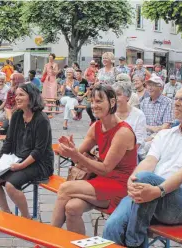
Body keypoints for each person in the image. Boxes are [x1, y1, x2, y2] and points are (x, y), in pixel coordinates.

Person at [103, 85, 182, 247]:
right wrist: (132, 180)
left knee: (145, 179)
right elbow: (149, 161)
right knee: (112, 226)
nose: (176, 103)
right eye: (176, 98)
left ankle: (134, 242)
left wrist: (158, 191)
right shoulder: (165, 134)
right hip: (149, 194)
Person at [51, 84, 137, 235]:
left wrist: (76, 155)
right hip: (101, 180)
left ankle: (49, 239)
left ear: (111, 102)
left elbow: (105, 168)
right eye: (92, 101)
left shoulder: (123, 132)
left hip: (120, 186)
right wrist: (70, 148)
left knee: (65, 188)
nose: (94, 106)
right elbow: (79, 154)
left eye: (99, 101)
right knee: (72, 208)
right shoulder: (96, 126)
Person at [0, 83, 54, 218]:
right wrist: (0, 158)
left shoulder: (41, 120)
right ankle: (6, 212)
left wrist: (20, 166)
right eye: (16, 95)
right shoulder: (17, 115)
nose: (17, 97)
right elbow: (9, 141)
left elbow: (38, 151)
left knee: (11, 185)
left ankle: (26, 218)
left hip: (39, 163)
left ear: (32, 97)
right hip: (18, 158)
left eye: (21, 94)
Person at [140, 75, 173, 159]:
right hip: (143, 135)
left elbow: (166, 127)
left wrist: (151, 136)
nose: (150, 88)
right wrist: (152, 128)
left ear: (161, 88)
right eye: (149, 85)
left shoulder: (168, 102)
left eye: (153, 85)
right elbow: (140, 124)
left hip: (159, 136)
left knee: (143, 149)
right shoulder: (144, 102)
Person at [113, 81, 147, 153]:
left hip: (130, 154)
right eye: (113, 95)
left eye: (118, 95)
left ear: (128, 96)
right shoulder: (109, 113)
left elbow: (139, 141)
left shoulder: (138, 115)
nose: (115, 98)